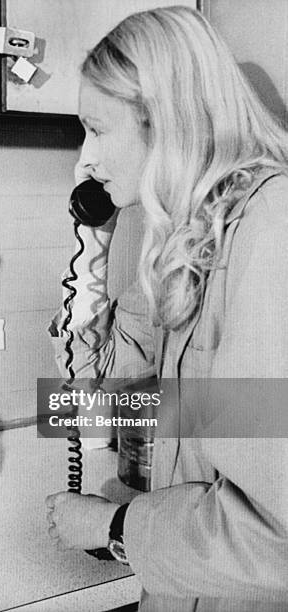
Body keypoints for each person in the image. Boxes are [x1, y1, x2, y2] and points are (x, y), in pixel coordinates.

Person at [45, 6, 288, 611]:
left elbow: (274, 538)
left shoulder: (271, 235)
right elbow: (96, 394)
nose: (84, 161)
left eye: (96, 130)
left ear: (164, 122)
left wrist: (114, 529)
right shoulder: (188, 243)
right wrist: (92, 246)